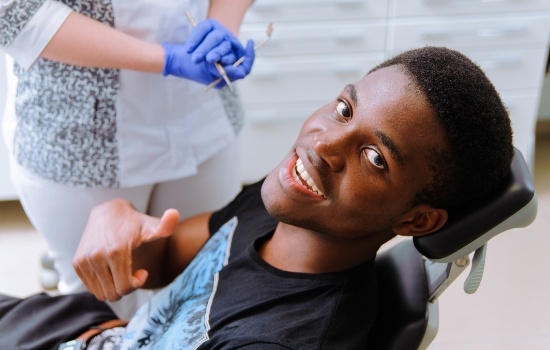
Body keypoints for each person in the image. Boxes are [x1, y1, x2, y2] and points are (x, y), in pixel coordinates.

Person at [0, 46, 513, 349]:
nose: (323, 145)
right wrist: (119, 218)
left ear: (418, 218)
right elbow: (165, 260)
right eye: (343, 109)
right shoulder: (284, 207)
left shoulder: (278, 339)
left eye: (375, 158)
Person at [0, 0, 255, 317]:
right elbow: (16, 13)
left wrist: (223, 25)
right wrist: (167, 59)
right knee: (104, 307)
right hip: (81, 141)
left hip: (203, 119)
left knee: (200, 287)